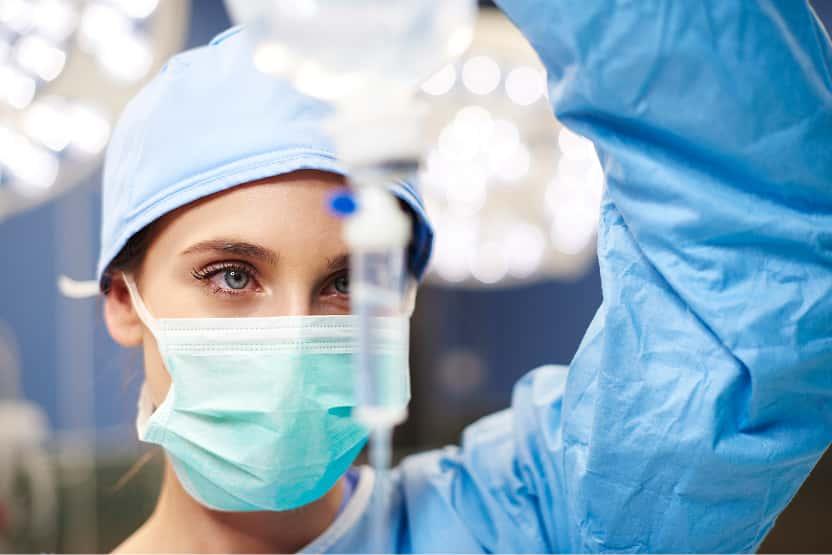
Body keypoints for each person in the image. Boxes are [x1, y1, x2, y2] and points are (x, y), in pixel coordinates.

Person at [100, 1, 832, 552]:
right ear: (124, 299)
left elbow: (762, 266)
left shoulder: (530, 519)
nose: (295, 338)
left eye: (349, 283)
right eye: (232, 276)